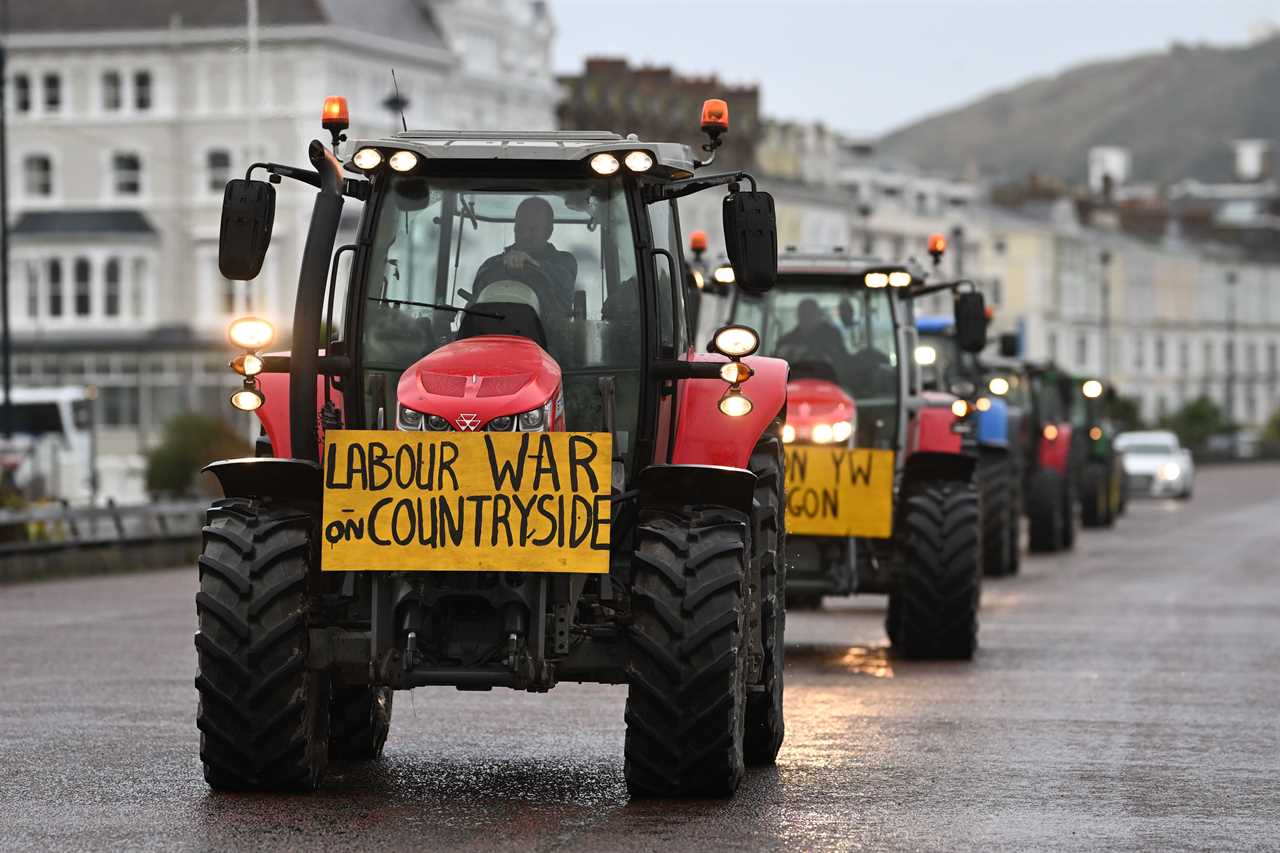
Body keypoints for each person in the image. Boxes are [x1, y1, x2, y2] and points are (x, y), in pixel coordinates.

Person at [473, 197, 577, 310]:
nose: (525, 235)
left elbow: (565, 283)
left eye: (532, 229)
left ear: (548, 232)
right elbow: (475, 303)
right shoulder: (491, 266)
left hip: (548, 328)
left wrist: (532, 264)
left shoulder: (564, 263)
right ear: (514, 228)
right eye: (520, 228)